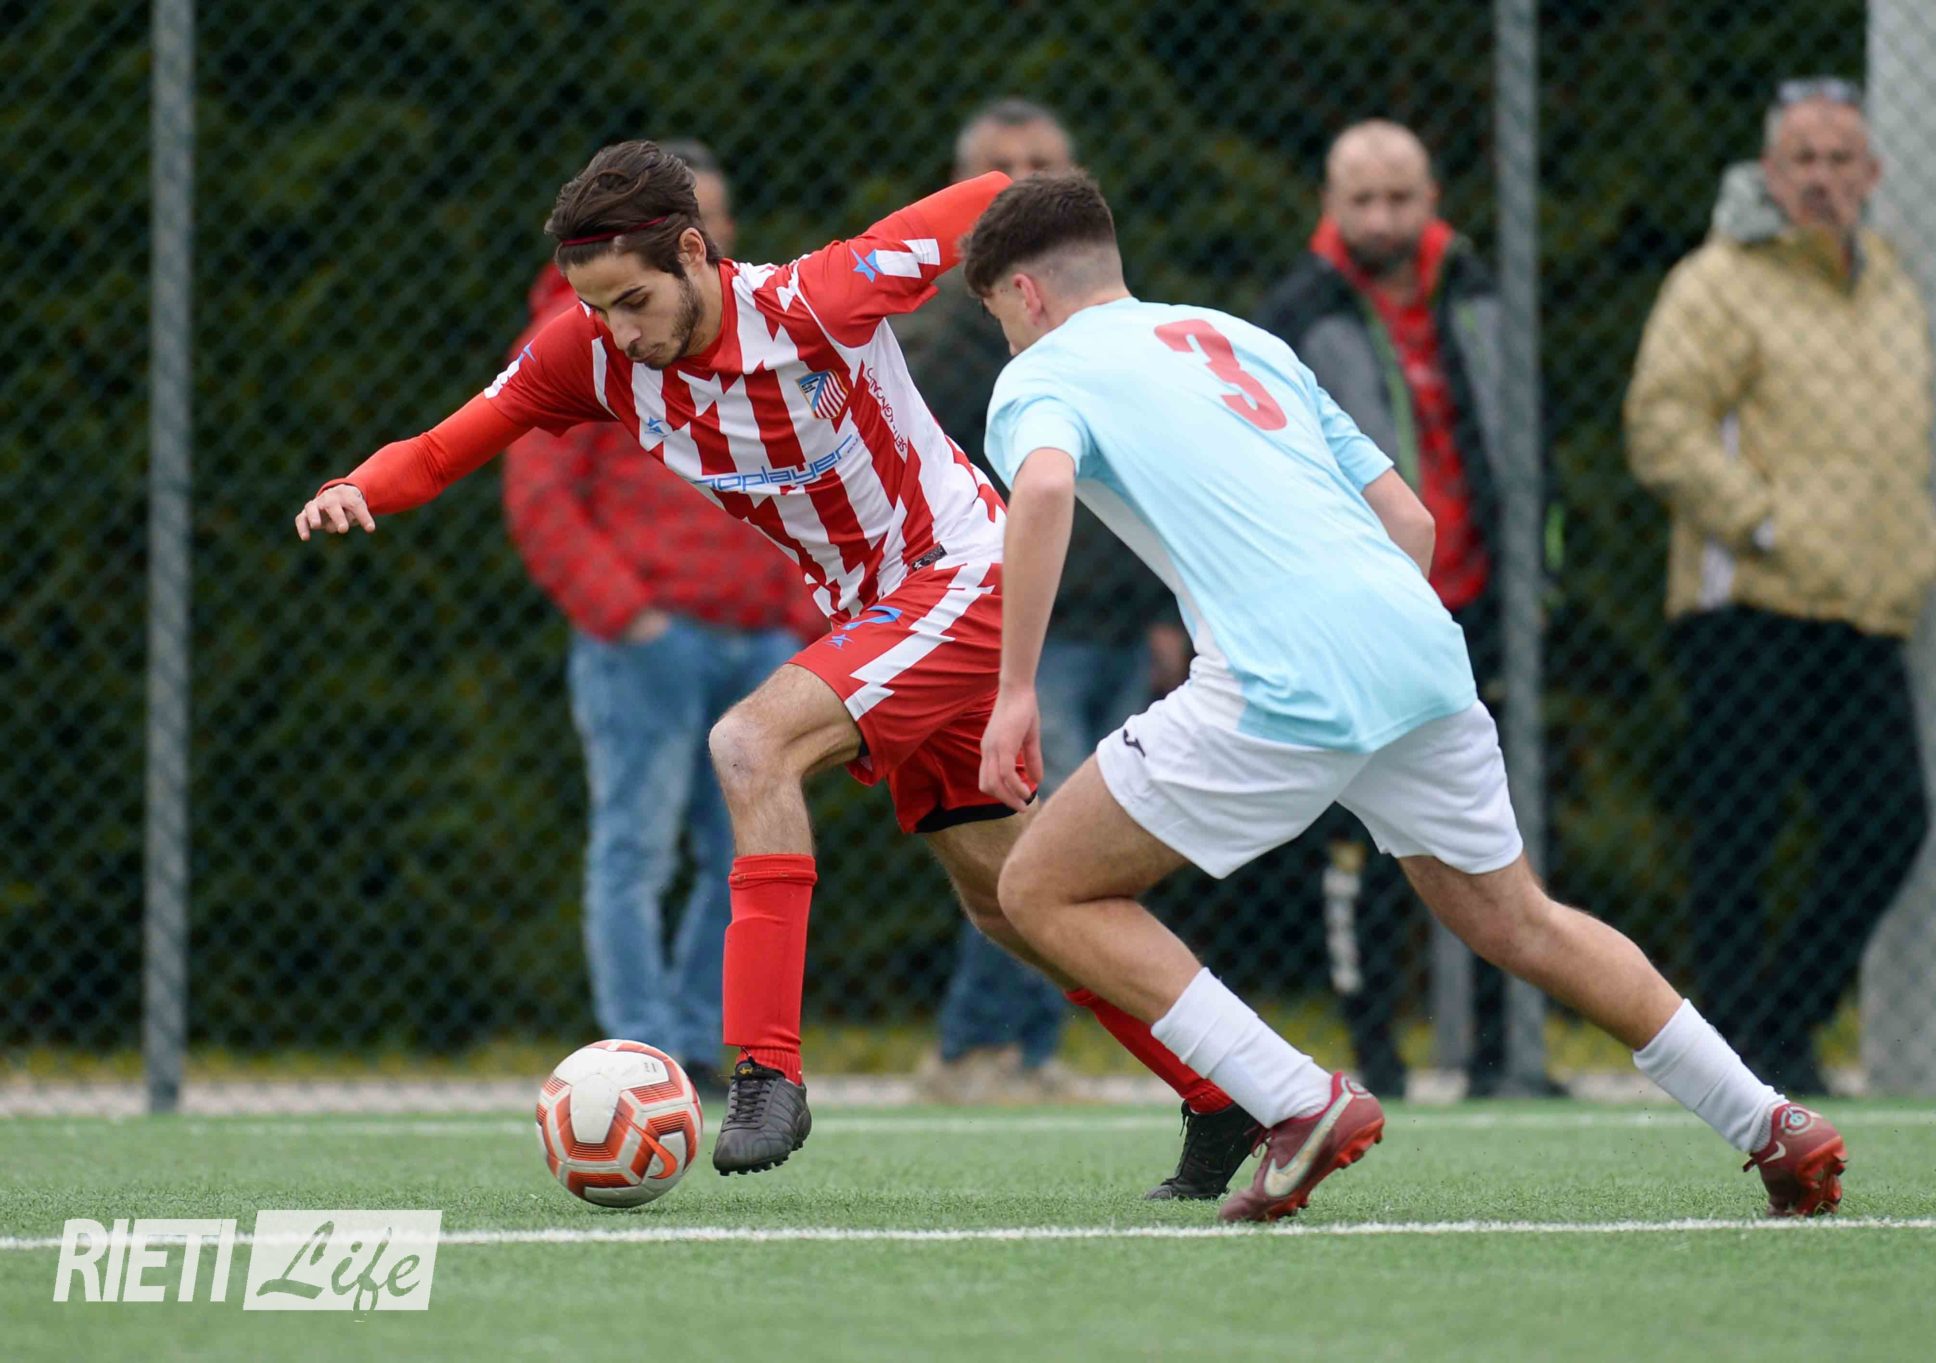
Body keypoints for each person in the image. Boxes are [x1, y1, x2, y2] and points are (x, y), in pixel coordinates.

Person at [294, 141, 1258, 1192]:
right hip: (885, 618)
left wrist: (1088, 315)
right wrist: (360, 488)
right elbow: (447, 446)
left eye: (632, 301)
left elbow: (1001, 197)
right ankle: (1228, 1092)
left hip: (962, 575)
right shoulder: (594, 352)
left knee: (751, 743)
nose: (618, 331)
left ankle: (766, 1071)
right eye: (597, 309)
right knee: (1015, 900)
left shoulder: (820, 298)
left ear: (693, 252)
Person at [968, 171, 1845, 1222]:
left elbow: (1045, 487)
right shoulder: (1242, 338)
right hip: (1417, 647)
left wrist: (1014, 690)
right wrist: (1361, 676)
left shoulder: (1042, 371)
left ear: (1025, 294)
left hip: (1277, 674)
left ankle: (1296, 1100)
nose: (1007, 340)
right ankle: (1769, 1120)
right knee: (1523, 918)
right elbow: (1412, 522)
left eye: (999, 318)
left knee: (1039, 888)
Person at [1625, 79, 1936, 1097]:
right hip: (1747, 604)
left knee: (1888, 820)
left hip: (1863, 602)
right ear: (1768, 171)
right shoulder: (1717, 281)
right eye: (1800, 158)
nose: (1819, 178)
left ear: (1870, 174)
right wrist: (1762, 523)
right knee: (1740, 829)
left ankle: (1782, 1025)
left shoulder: (1889, 285)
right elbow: (1661, 424)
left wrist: (1915, 546)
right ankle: (1726, 1062)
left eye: (1839, 159)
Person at [501, 139, 811, 1102]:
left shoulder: (756, 329)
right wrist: (627, 615)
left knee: (745, 852)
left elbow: (807, 469)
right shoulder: (575, 343)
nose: (701, 235)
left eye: (709, 219)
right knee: (634, 847)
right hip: (647, 640)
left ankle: (700, 1044)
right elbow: (541, 493)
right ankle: (638, 1056)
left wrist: (798, 613)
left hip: (761, 639)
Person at [894, 98, 1188, 1110]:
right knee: (1035, 840)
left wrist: (1165, 610)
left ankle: (1030, 1048)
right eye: (999, 166)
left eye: (1041, 164)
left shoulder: (1111, 327)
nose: (1020, 180)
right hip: (1024, 630)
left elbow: (1147, 478)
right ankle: (971, 1046)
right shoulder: (943, 339)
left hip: (1116, 622)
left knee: (1083, 844)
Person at [1258, 119, 1560, 1098]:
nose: (1382, 219)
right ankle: (1374, 1058)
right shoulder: (1291, 315)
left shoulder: (1481, 296)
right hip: (1358, 613)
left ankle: (1499, 1060)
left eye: (1400, 198)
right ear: (1329, 205)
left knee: (1490, 828)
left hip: (1478, 604)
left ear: (1431, 198)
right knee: (1359, 834)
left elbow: (1531, 444)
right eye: (1363, 200)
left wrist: (1536, 582)